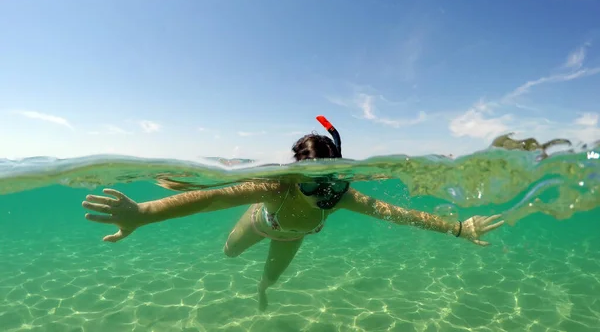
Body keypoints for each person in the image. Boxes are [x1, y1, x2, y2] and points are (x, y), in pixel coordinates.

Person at [81, 115, 505, 312]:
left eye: (331, 182)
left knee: (271, 278)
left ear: (340, 176)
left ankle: (261, 293)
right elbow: (206, 198)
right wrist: (143, 212)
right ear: (292, 176)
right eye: (311, 182)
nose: (322, 193)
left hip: (291, 237)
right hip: (260, 221)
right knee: (230, 254)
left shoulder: (341, 196)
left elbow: (397, 214)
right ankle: (246, 261)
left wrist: (457, 228)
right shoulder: (272, 186)